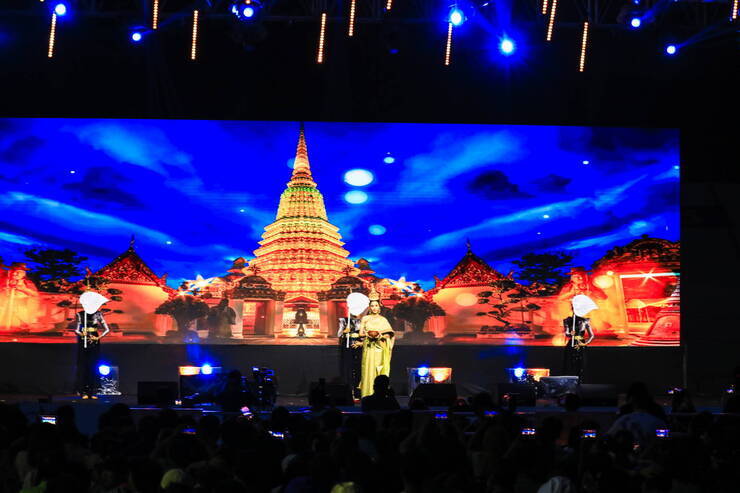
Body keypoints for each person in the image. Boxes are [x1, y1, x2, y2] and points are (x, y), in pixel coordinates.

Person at [557, 268, 605, 380]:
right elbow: (560, 298)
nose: (579, 278)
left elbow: (603, 296)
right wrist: (571, 293)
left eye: (581, 275)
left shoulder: (590, 286)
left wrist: (592, 291)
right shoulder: (568, 287)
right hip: (574, 317)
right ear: (572, 278)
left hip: (590, 315)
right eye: (576, 276)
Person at [358, 288, 394, 398]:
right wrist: (369, 334)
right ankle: (367, 394)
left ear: (379, 307)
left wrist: (379, 335)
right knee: (368, 369)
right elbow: (360, 334)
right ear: (369, 307)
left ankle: (380, 394)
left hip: (380, 348)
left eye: (376, 305)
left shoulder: (383, 320)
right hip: (369, 348)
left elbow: (389, 334)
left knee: (379, 369)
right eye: (372, 306)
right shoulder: (365, 318)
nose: (374, 308)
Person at [74, 291, 111, 399]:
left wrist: (98, 337)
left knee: (93, 365)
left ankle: (92, 391)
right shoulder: (80, 314)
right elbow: (76, 330)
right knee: (84, 365)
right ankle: (83, 391)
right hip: (83, 340)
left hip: (94, 339)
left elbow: (107, 329)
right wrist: (82, 334)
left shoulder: (98, 314)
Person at [338, 312, 363, 399]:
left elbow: (365, 334)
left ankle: (358, 391)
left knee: (358, 368)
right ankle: (349, 391)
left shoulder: (363, 321)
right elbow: (339, 334)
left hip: (359, 346)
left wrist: (361, 343)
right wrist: (345, 331)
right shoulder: (344, 320)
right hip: (347, 347)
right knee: (348, 368)